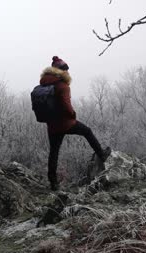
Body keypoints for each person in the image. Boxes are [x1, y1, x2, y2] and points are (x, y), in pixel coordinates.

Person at [40, 56, 111, 191]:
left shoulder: (45, 84)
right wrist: (73, 114)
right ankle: (101, 154)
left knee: (54, 152)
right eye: (65, 69)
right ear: (61, 71)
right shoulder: (63, 85)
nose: (67, 72)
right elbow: (67, 106)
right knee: (87, 131)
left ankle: (53, 182)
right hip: (65, 123)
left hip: (52, 125)